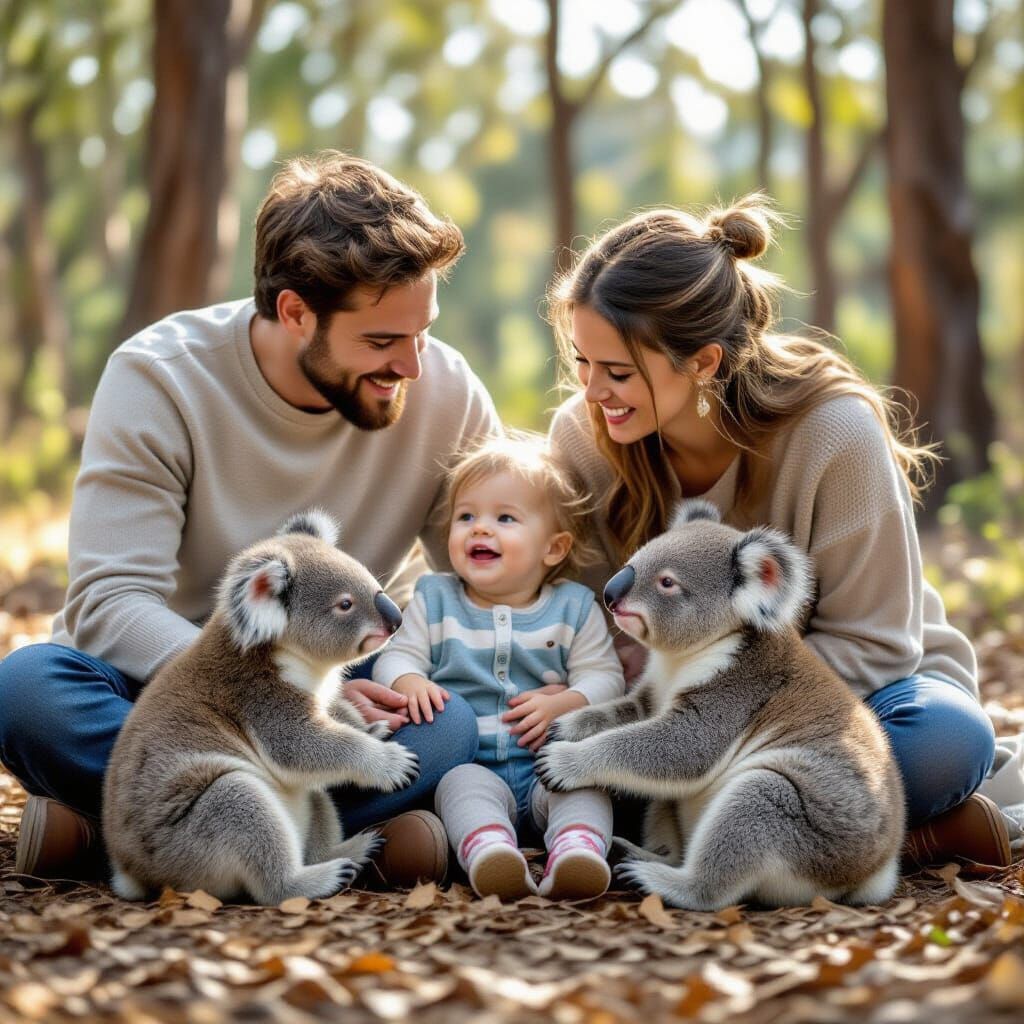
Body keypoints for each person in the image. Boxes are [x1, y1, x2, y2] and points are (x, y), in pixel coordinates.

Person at [0, 151, 501, 885]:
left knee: (449, 727)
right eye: (383, 341)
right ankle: (280, 837)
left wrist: (361, 679)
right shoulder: (160, 377)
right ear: (296, 312)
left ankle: (119, 838)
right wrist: (268, 691)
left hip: (330, 699)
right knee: (28, 692)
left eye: (422, 332)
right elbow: (111, 604)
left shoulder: (447, 392)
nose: (414, 367)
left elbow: (493, 576)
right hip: (161, 699)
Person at [546, 195, 1011, 868]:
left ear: (703, 362)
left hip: (850, 700)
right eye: (581, 362)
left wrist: (719, 713)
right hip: (668, 714)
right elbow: (590, 626)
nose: (592, 392)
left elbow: (877, 644)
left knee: (944, 745)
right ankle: (886, 842)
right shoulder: (584, 437)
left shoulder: (833, 433)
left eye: (617, 372)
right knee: (559, 755)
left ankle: (768, 835)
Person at [371, 434, 626, 899]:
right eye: (466, 516)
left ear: (554, 548)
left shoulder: (574, 607)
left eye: (504, 518)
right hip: (477, 764)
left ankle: (578, 851)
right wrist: (407, 678)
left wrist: (568, 702)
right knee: (458, 786)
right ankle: (490, 852)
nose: (480, 529)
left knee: (585, 785)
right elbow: (397, 655)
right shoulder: (435, 599)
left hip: (548, 765)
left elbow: (606, 677)